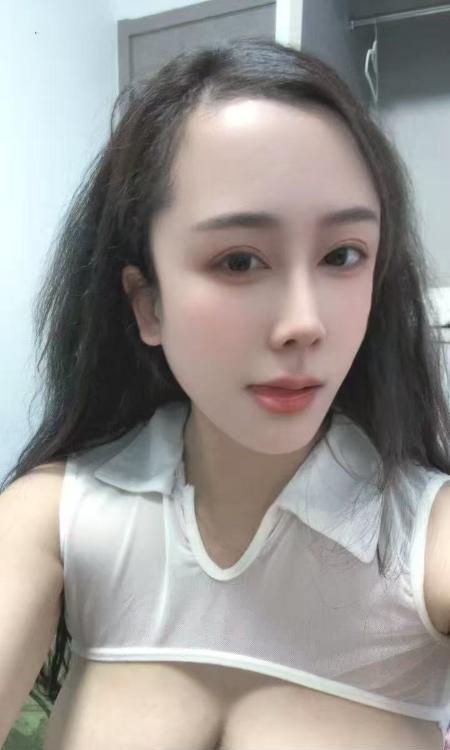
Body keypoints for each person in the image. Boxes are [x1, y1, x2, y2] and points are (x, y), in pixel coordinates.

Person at [1, 36, 450, 750]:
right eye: (239, 261)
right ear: (147, 303)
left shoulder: (427, 544)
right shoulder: (52, 517)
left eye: (343, 255)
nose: (304, 322)